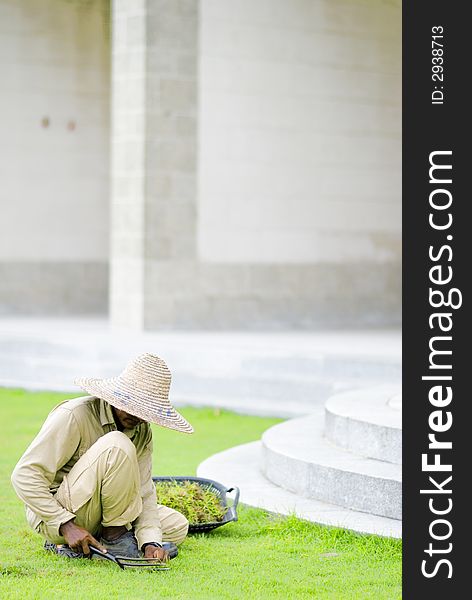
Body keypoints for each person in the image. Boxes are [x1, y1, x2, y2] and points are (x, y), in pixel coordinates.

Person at [11, 353, 194, 562]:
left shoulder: (142, 430)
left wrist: (150, 542)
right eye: (132, 404)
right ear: (117, 394)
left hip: (103, 514)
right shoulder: (75, 415)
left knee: (177, 525)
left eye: (144, 410)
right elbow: (24, 475)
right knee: (117, 443)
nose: (137, 415)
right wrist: (66, 525)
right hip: (59, 515)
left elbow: (143, 490)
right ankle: (110, 540)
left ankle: (92, 544)